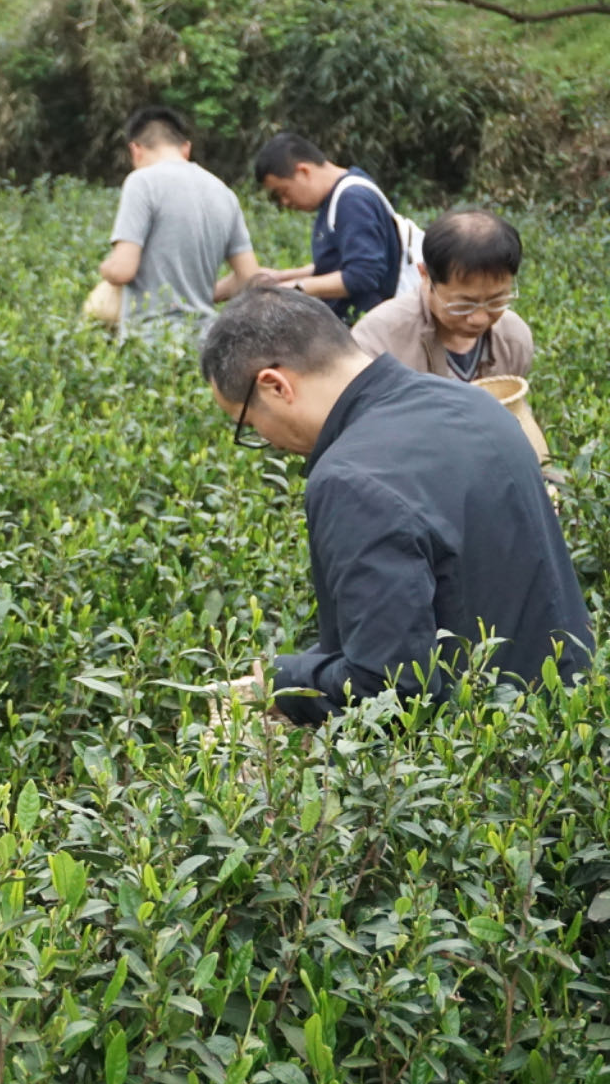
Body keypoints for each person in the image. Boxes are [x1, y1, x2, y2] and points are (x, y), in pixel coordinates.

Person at [202, 285, 592, 726]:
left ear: (275, 385)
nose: (267, 443)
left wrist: (281, 681)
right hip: (569, 724)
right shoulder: (475, 403)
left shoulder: (350, 479)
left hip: (484, 761)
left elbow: (386, 691)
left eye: (250, 425)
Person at [96, 106, 259, 334]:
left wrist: (106, 268)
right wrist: (194, 294)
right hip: (207, 340)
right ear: (186, 149)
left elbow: (123, 270)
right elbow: (249, 278)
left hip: (151, 341)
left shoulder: (142, 182)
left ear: (135, 150)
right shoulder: (224, 193)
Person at [352, 209, 531, 383]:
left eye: (496, 301)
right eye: (464, 305)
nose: (479, 319)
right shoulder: (378, 340)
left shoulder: (513, 338)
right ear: (425, 276)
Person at [251, 133, 404, 322]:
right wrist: (282, 277)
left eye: (284, 191)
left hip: (369, 332)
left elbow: (364, 274)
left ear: (304, 171)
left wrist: (295, 289)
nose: (285, 202)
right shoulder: (336, 198)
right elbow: (338, 263)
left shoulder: (352, 199)